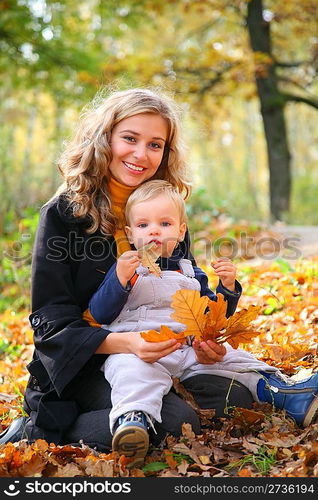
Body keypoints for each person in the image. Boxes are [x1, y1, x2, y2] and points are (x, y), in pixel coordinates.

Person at [0, 88, 317, 455]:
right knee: (176, 421)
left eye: (155, 144)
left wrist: (202, 341)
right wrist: (130, 344)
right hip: (85, 363)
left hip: (164, 351)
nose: (141, 154)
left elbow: (184, 296)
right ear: (105, 139)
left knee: (234, 390)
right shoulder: (63, 213)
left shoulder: (163, 212)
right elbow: (51, 325)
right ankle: (41, 428)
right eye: (130, 139)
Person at [86, 179, 318, 467]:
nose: (155, 231)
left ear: (181, 230)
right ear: (131, 234)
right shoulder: (126, 267)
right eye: (144, 225)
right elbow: (101, 313)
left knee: (236, 359)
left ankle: (284, 394)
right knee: (131, 374)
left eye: (165, 223)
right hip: (140, 348)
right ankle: (133, 421)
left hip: (188, 348)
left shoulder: (190, 271)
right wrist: (120, 279)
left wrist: (227, 288)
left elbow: (211, 316)